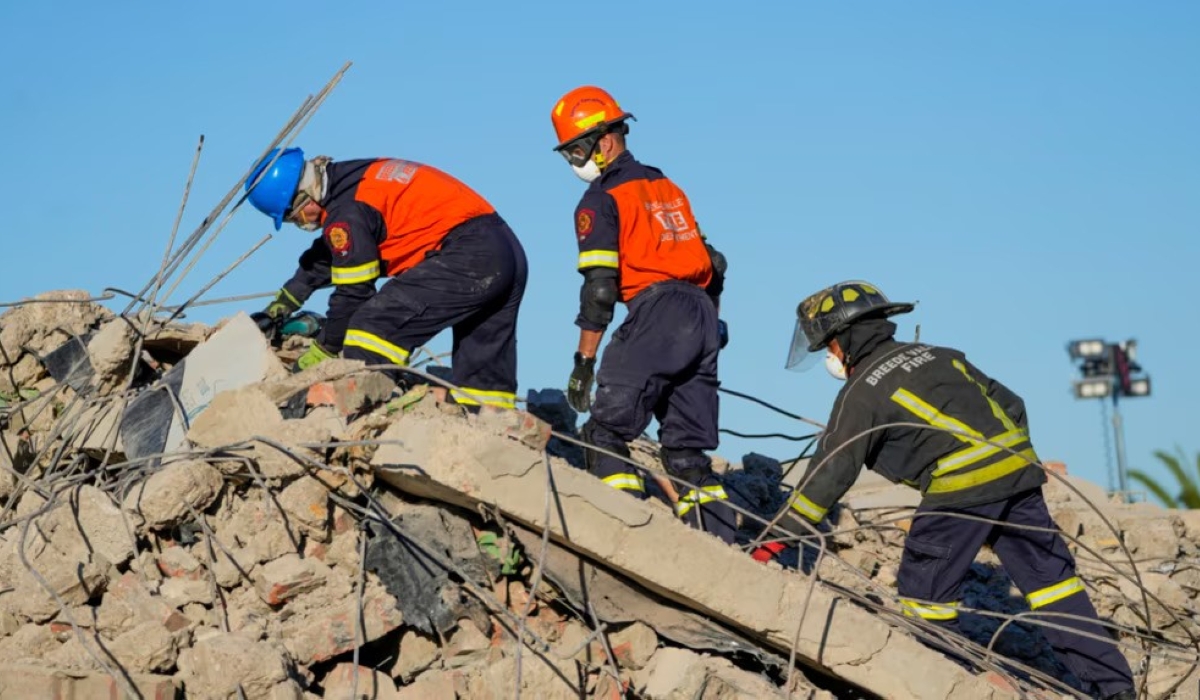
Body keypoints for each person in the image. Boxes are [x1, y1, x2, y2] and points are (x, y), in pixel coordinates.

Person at [780, 280, 1135, 700]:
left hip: (960, 488)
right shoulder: (941, 355)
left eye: (830, 347)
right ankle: (1116, 689)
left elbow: (833, 466)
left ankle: (954, 684)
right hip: (1018, 472)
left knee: (923, 592)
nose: (831, 357)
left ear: (844, 338)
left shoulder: (862, 391)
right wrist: (1006, 467)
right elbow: (1012, 403)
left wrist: (784, 530)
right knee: (1054, 585)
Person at [549, 85, 737, 544]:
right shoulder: (667, 186)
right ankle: (720, 551)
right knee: (688, 453)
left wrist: (584, 362)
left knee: (604, 430)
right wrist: (712, 319)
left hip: (656, 312)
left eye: (577, 149)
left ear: (606, 139)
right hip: (700, 314)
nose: (575, 161)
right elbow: (715, 263)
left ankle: (625, 539)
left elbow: (599, 291)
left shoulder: (601, 198)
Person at [244, 147, 527, 409]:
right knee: (483, 380)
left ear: (306, 194)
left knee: (369, 328)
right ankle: (496, 432)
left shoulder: (347, 213)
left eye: (295, 216)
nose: (302, 224)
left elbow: (353, 292)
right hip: (504, 250)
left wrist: (325, 350)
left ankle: (381, 415)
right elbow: (327, 256)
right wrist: (280, 306)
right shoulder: (351, 179)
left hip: (468, 256)